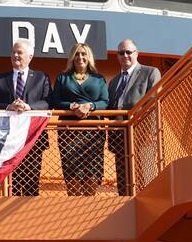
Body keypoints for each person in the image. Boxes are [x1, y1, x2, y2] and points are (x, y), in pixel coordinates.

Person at [0, 39, 52, 196]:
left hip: (33, 139)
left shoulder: (42, 77)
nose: (15, 55)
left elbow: (48, 102)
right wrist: (9, 107)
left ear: (30, 56)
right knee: (10, 186)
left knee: (31, 185)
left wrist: (29, 107)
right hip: (7, 141)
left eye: (19, 52)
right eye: (13, 52)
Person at [52, 43, 109, 196]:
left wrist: (89, 106)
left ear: (89, 57)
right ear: (72, 57)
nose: (80, 57)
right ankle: (74, 203)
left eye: (83, 54)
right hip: (69, 133)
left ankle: (88, 206)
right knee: (72, 171)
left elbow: (105, 102)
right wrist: (72, 106)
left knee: (92, 171)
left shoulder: (99, 79)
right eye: (77, 54)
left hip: (94, 133)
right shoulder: (62, 78)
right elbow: (55, 101)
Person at [107, 39, 161, 195]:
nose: (125, 55)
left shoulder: (150, 72)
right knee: (124, 182)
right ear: (117, 56)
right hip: (119, 137)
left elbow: (154, 103)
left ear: (136, 53)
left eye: (128, 52)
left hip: (142, 134)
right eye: (121, 53)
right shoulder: (114, 82)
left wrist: (151, 131)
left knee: (144, 177)